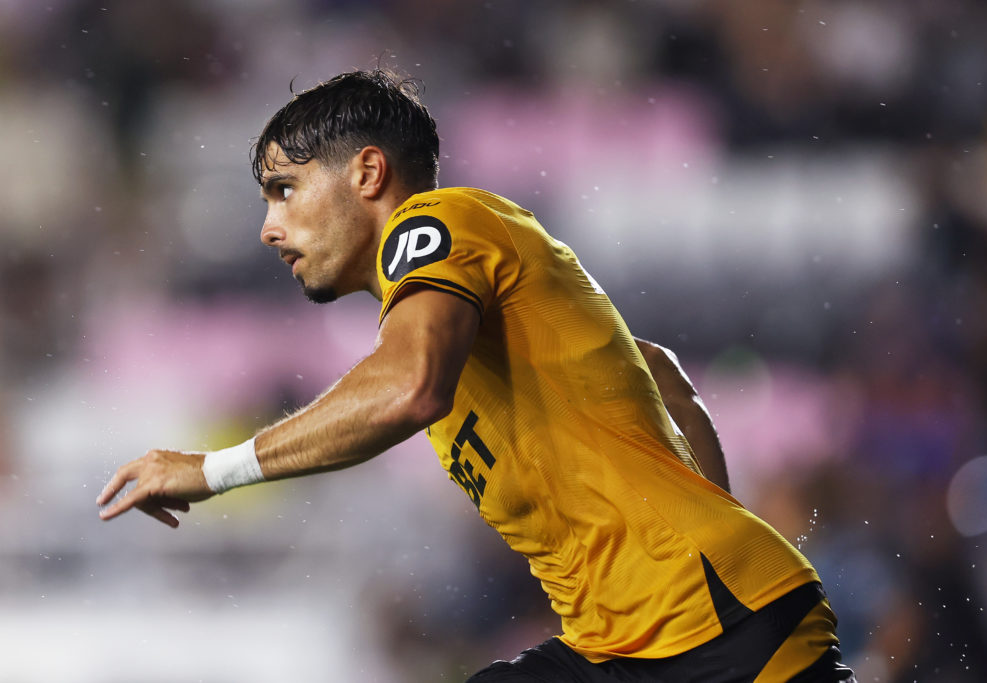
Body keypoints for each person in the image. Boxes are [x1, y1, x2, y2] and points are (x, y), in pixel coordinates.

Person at [97, 69, 856, 682]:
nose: (268, 225)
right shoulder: (450, 303)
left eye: (284, 188)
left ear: (367, 172)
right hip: (626, 641)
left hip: (718, 634)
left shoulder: (438, 226)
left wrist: (212, 469)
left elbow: (409, 387)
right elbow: (659, 372)